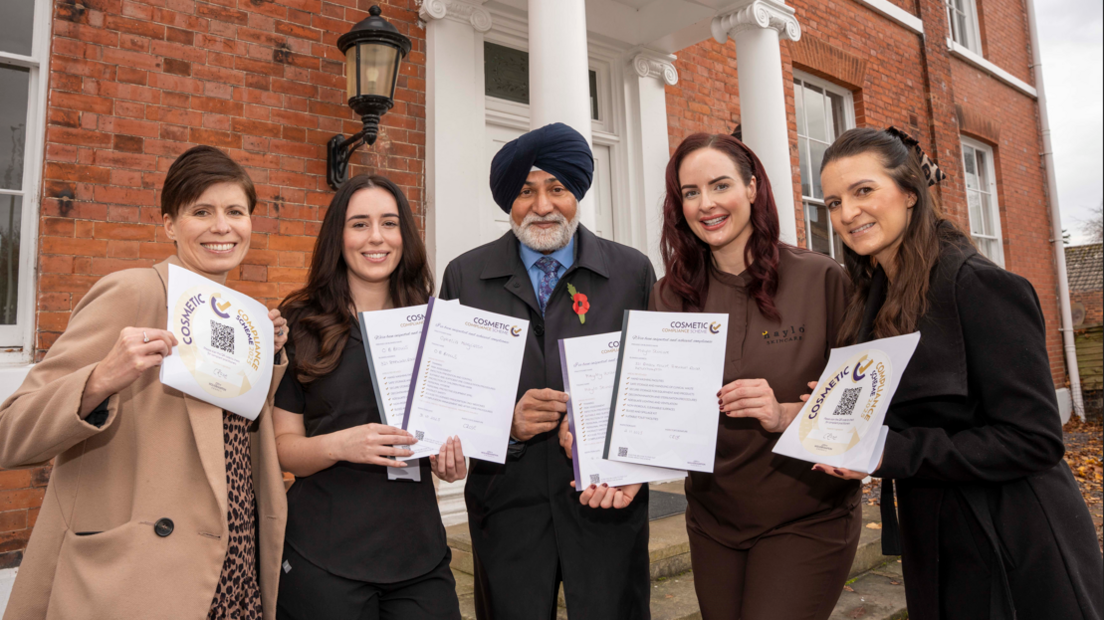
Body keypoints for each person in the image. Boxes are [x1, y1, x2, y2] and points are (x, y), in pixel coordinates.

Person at [816, 127, 1104, 620]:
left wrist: (890, 449)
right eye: (833, 202)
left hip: (1012, 534)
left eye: (864, 191)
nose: (846, 213)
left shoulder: (980, 286)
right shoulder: (874, 296)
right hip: (936, 529)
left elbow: (1034, 439)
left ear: (909, 193)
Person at [576, 132, 859, 620]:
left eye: (720, 185)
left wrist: (785, 412)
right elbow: (657, 408)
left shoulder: (821, 278)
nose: (706, 204)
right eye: (690, 193)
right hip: (713, 517)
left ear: (752, 188)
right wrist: (628, 472)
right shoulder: (668, 296)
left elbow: (860, 404)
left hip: (806, 513)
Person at [0, 145, 290, 620]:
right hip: (144, 579)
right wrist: (99, 380)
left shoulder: (241, 316)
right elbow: (10, 432)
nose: (223, 226)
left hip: (234, 572)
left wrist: (270, 356)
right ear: (170, 225)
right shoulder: (133, 291)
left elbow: (231, 442)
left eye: (236, 211)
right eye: (202, 211)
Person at [438, 122, 657, 619]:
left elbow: (651, 383)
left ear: (576, 193)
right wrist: (506, 426)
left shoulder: (631, 272)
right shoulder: (465, 276)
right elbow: (451, 400)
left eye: (557, 188)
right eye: (525, 191)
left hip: (605, 500)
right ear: (507, 202)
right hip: (507, 502)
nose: (542, 206)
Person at [272, 175, 466, 620]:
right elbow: (283, 447)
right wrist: (341, 445)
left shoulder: (435, 324)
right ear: (338, 236)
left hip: (418, 553)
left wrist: (453, 461)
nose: (376, 237)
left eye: (389, 223)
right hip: (323, 555)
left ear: (405, 236)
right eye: (359, 224)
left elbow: (451, 432)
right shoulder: (300, 322)